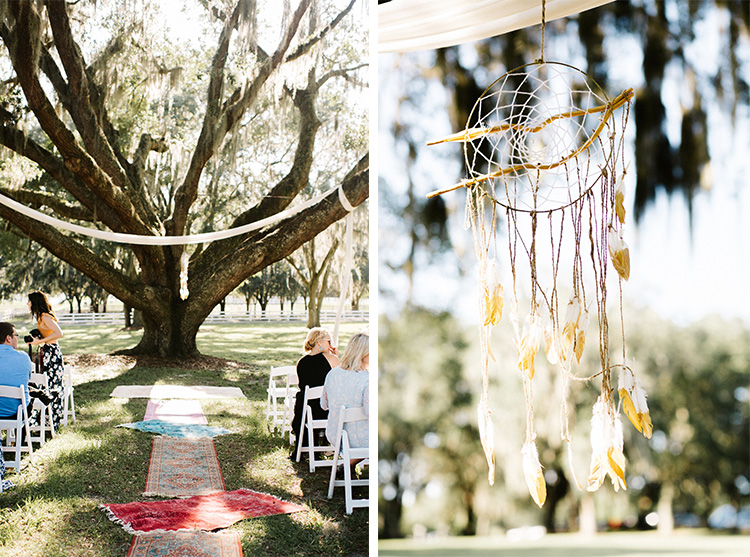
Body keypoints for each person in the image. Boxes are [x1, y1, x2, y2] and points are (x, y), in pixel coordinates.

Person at [291, 327, 339, 458]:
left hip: (305, 410)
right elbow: (340, 379)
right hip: (325, 409)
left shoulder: (300, 362)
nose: (331, 345)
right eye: (329, 341)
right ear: (319, 343)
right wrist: (337, 357)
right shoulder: (332, 359)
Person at [321, 331, 369, 449]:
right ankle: (351, 462)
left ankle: (349, 463)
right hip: (360, 440)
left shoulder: (332, 373)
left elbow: (323, 405)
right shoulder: (367, 380)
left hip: (335, 435)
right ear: (364, 353)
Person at [26, 291, 65, 430]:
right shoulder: (41, 318)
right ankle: (46, 418)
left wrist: (40, 341)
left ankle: (53, 419)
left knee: (53, 384)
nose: (27, 304)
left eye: (29, 301)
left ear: (35, 302)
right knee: (46, 383)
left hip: (52, 352)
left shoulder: (45, 316)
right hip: (48, 350)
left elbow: (59, 333)